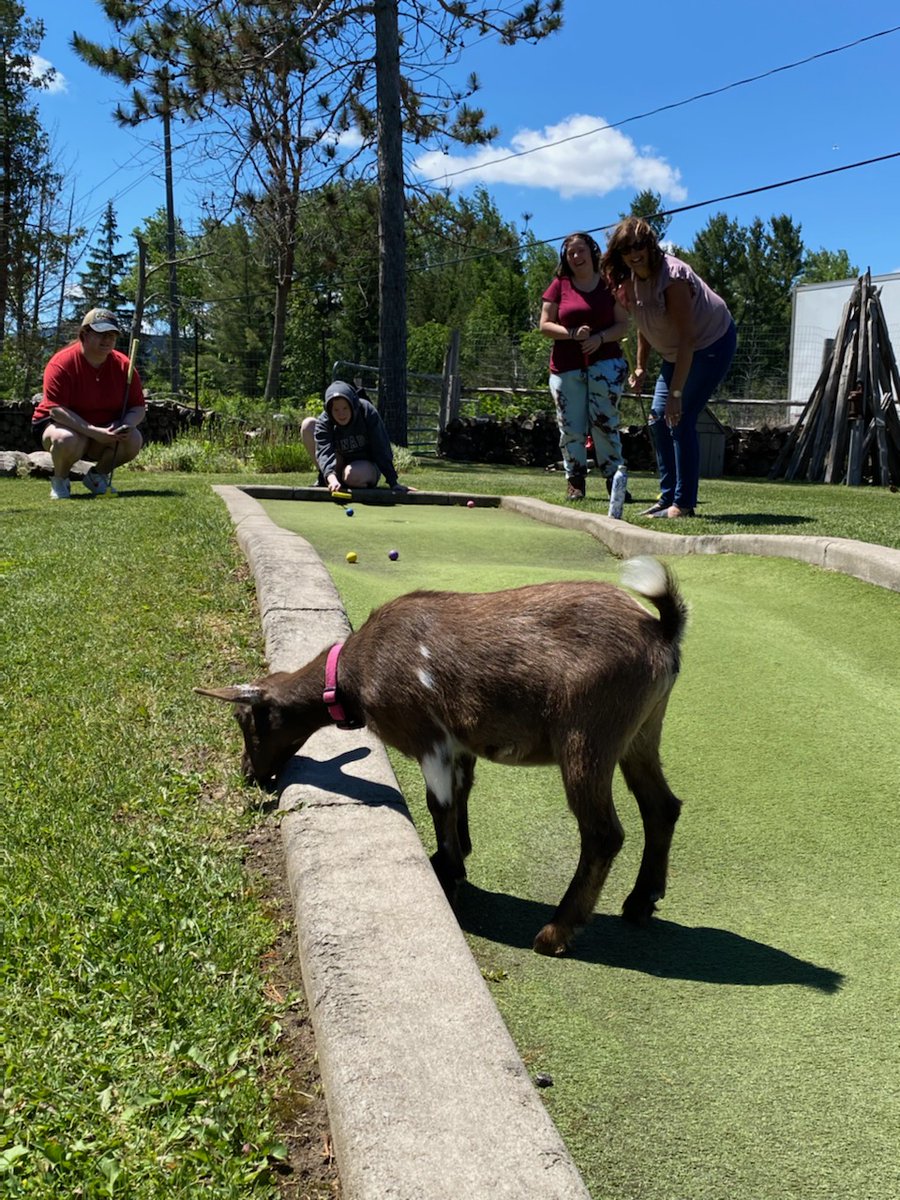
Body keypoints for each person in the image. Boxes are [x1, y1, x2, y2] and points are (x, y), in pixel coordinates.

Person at [602, 218, 736, 518]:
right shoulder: (629, 282)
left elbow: (688, 338)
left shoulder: (672, 279)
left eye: (638, 246)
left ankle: (683, 504)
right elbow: (645, 324)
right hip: (676, 352)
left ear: (650, 246)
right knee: (657, 421)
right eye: (626, 249)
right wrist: (640, 367)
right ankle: (667, 498)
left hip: (709, 343)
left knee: (680, 417)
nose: (633, 253)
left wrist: (676, 392)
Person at [539, 231, 630, 501]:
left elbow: (623, 324)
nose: (577, 257)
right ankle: (575, 481)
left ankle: (615, 481)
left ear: (592, 251)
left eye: (581, 250)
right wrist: (572, 333)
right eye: (571, 253)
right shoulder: (559, 285)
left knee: (604, 423)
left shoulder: (609, 283)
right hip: (567, 367)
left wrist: (599, 338)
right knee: (571, 426)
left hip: (605, 364)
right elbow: (544, 325)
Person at [32, 308, 145, 499]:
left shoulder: (124, 365)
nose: (107, 340)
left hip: (104, 427)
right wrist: (92, 431)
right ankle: (60, 480)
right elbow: (56, 411)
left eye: (112, 335)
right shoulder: (61, 363)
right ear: (84, 334)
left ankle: (96, 476)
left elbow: (138, 406)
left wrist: (127, 424)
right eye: (101, 333)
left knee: (133, 439)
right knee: (66, 439)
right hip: (62, 425)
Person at [301, 380, 411, 493]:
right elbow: (324, 451)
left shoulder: (367, 412)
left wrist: (393, 482)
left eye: (345, 408)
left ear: (353, 405)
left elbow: (381, 447)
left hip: (364, 465)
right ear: (329, 410)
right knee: (308, 424)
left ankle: (343, 480)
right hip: (339, 462)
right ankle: (328, 479)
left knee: (352, 476)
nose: (341, 414)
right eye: (336, 410)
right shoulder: (325, 420)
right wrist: (331, 478)